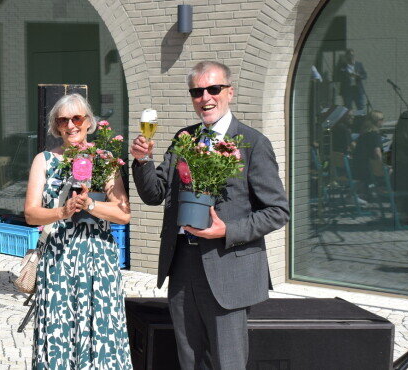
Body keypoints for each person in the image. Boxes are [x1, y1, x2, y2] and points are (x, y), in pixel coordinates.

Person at [131, 61, 289, 369]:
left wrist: (226, 231)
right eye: (197, 91)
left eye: (213, 89)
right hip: (182, 266)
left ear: (230, 92)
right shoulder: (183, 138)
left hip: (227, 267)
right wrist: (143, 161)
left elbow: (277, 211)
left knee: (228, 363)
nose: (205, 97)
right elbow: (154, 194)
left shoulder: (254, 143)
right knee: (189, 360)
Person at [24, 93, 132, 368]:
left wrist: (90, 204)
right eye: (63, 120)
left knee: (102, 332)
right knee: (59, 330)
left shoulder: (105, 158)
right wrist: (62, 211)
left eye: (77, 118)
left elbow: (122, 213)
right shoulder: (44, 160)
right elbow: (30, 213)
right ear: (56, 126)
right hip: (59, 260)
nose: (71, 125)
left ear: (88, 122)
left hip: (98, 261)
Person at [351, 111, 384, 195]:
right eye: (382, 119)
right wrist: (383, 166)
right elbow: (377, 153)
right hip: (369, 171)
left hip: (358, 168)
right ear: (377, 121)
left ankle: (366, 193)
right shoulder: (375, 135)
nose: (383, 121)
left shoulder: (363, 135)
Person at [335, 49, 368, 113]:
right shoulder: (343, 66)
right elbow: (338, 76)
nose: (351, 56)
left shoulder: (359, 64)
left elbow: (365, 75)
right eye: (350, 55)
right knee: (348, 108)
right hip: (347, 90)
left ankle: (360, 121)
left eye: (352, 55)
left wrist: (359, 76)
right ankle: (349, 121)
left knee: (360, 107)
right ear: (346, 56)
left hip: (358, 90)